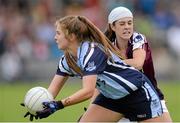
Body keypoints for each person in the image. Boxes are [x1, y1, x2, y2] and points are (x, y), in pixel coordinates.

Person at [21, 15, 167, 122]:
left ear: (71, 36)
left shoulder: (92, 52)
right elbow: (50, 93)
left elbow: (88, 91)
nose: (54, 38)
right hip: (111, 98)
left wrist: (59, 104)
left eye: (58, 33)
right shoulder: (67, 61)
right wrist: (39, 105)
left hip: (138, 95)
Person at [104, 6, 172, 122]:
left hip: (149, 95)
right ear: (112, 26)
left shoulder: (137, 38)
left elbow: (138, 63)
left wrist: (110, 65)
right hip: (121, 98)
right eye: (122, 24)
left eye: (129, 23)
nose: (127, 27)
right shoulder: (108, 46)